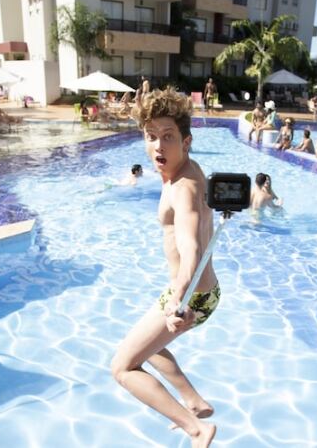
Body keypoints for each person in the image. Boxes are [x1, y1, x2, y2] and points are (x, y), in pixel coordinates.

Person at [110, 88, 218, 448]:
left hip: (191, 294)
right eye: (151, 136)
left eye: (168, 136)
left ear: (186, 141)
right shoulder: (184, 170)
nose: (158, 146)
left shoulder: (183, 188)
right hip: (197, 290)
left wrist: (179, 300)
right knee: (146, 344)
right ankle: (194, 402)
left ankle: (197, 429)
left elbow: (191, 247)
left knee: (123, 367)